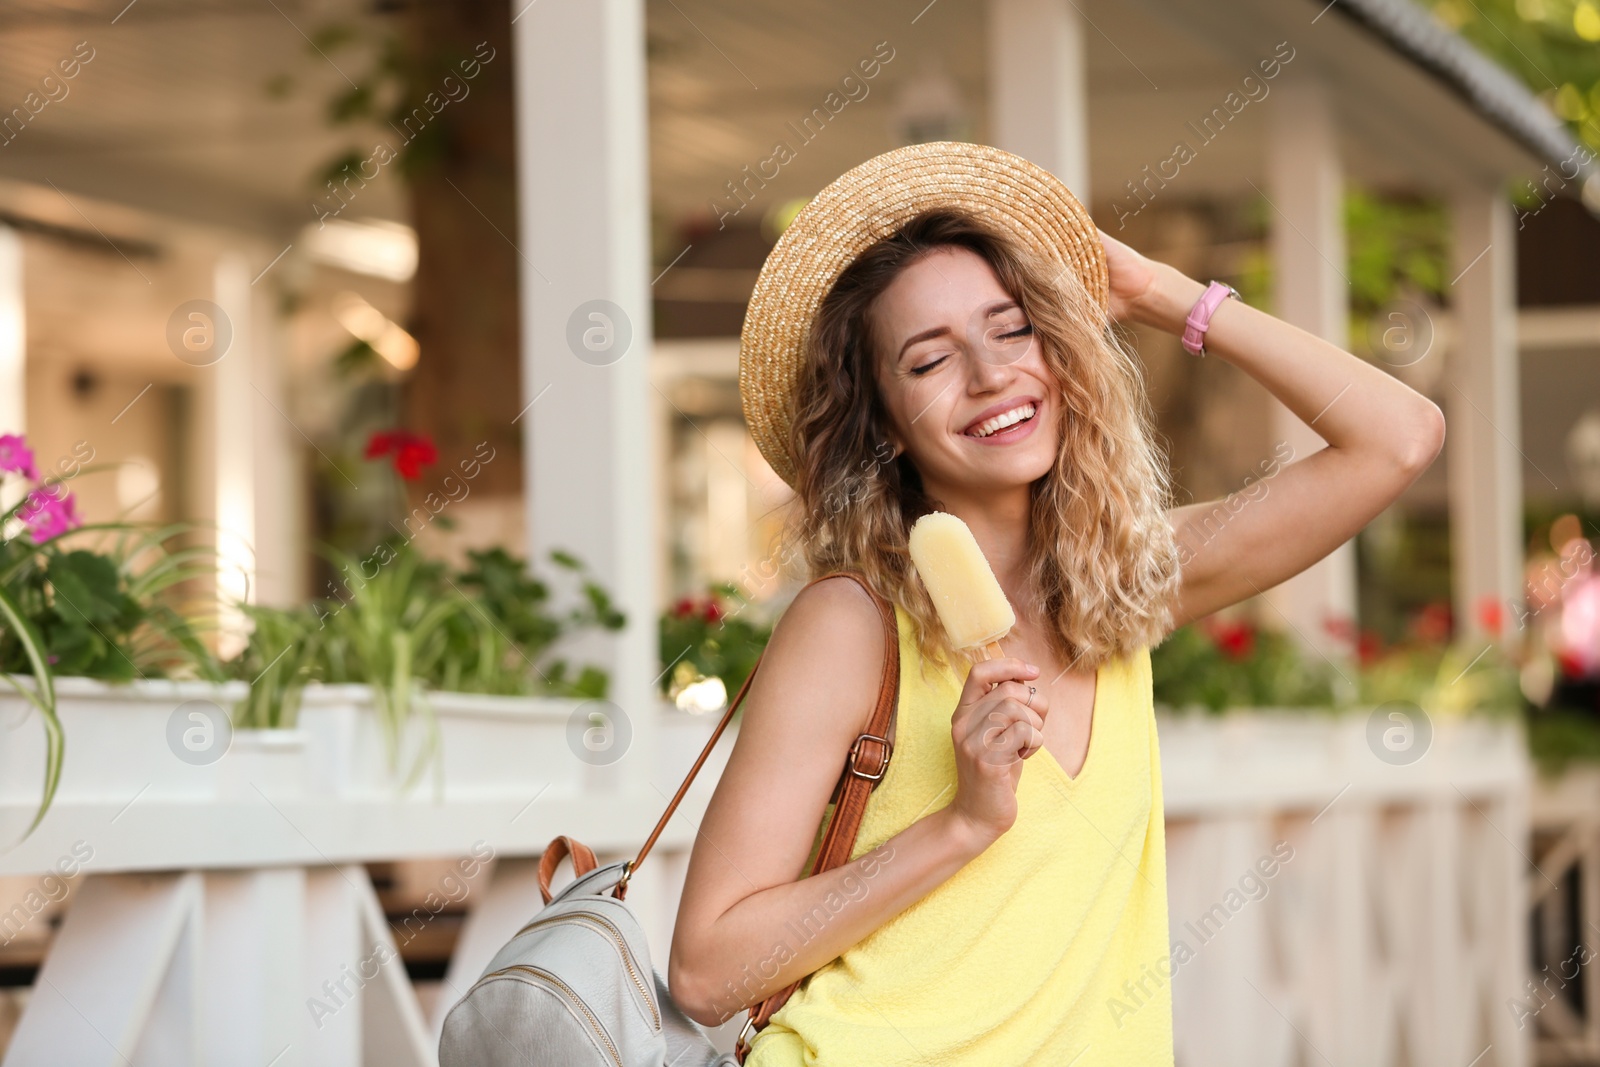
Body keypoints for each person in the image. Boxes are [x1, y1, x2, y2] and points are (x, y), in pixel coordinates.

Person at [665, 142, 1444, 1064]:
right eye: (928, 362)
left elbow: (1397, 437)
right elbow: (707, 969)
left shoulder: (1124, 586)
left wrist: (1166, 296)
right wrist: (960, 824)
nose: (992, 375)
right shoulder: (851, 624)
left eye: (1014, 328)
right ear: (880, 420)